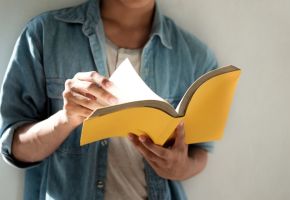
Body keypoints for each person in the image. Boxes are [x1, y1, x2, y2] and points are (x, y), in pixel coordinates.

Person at [0, 0, 218, 199]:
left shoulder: (196, 58)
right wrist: (66, 119)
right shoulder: (44, 34)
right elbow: (13, 147)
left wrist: (180, 167)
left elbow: (200, 151)